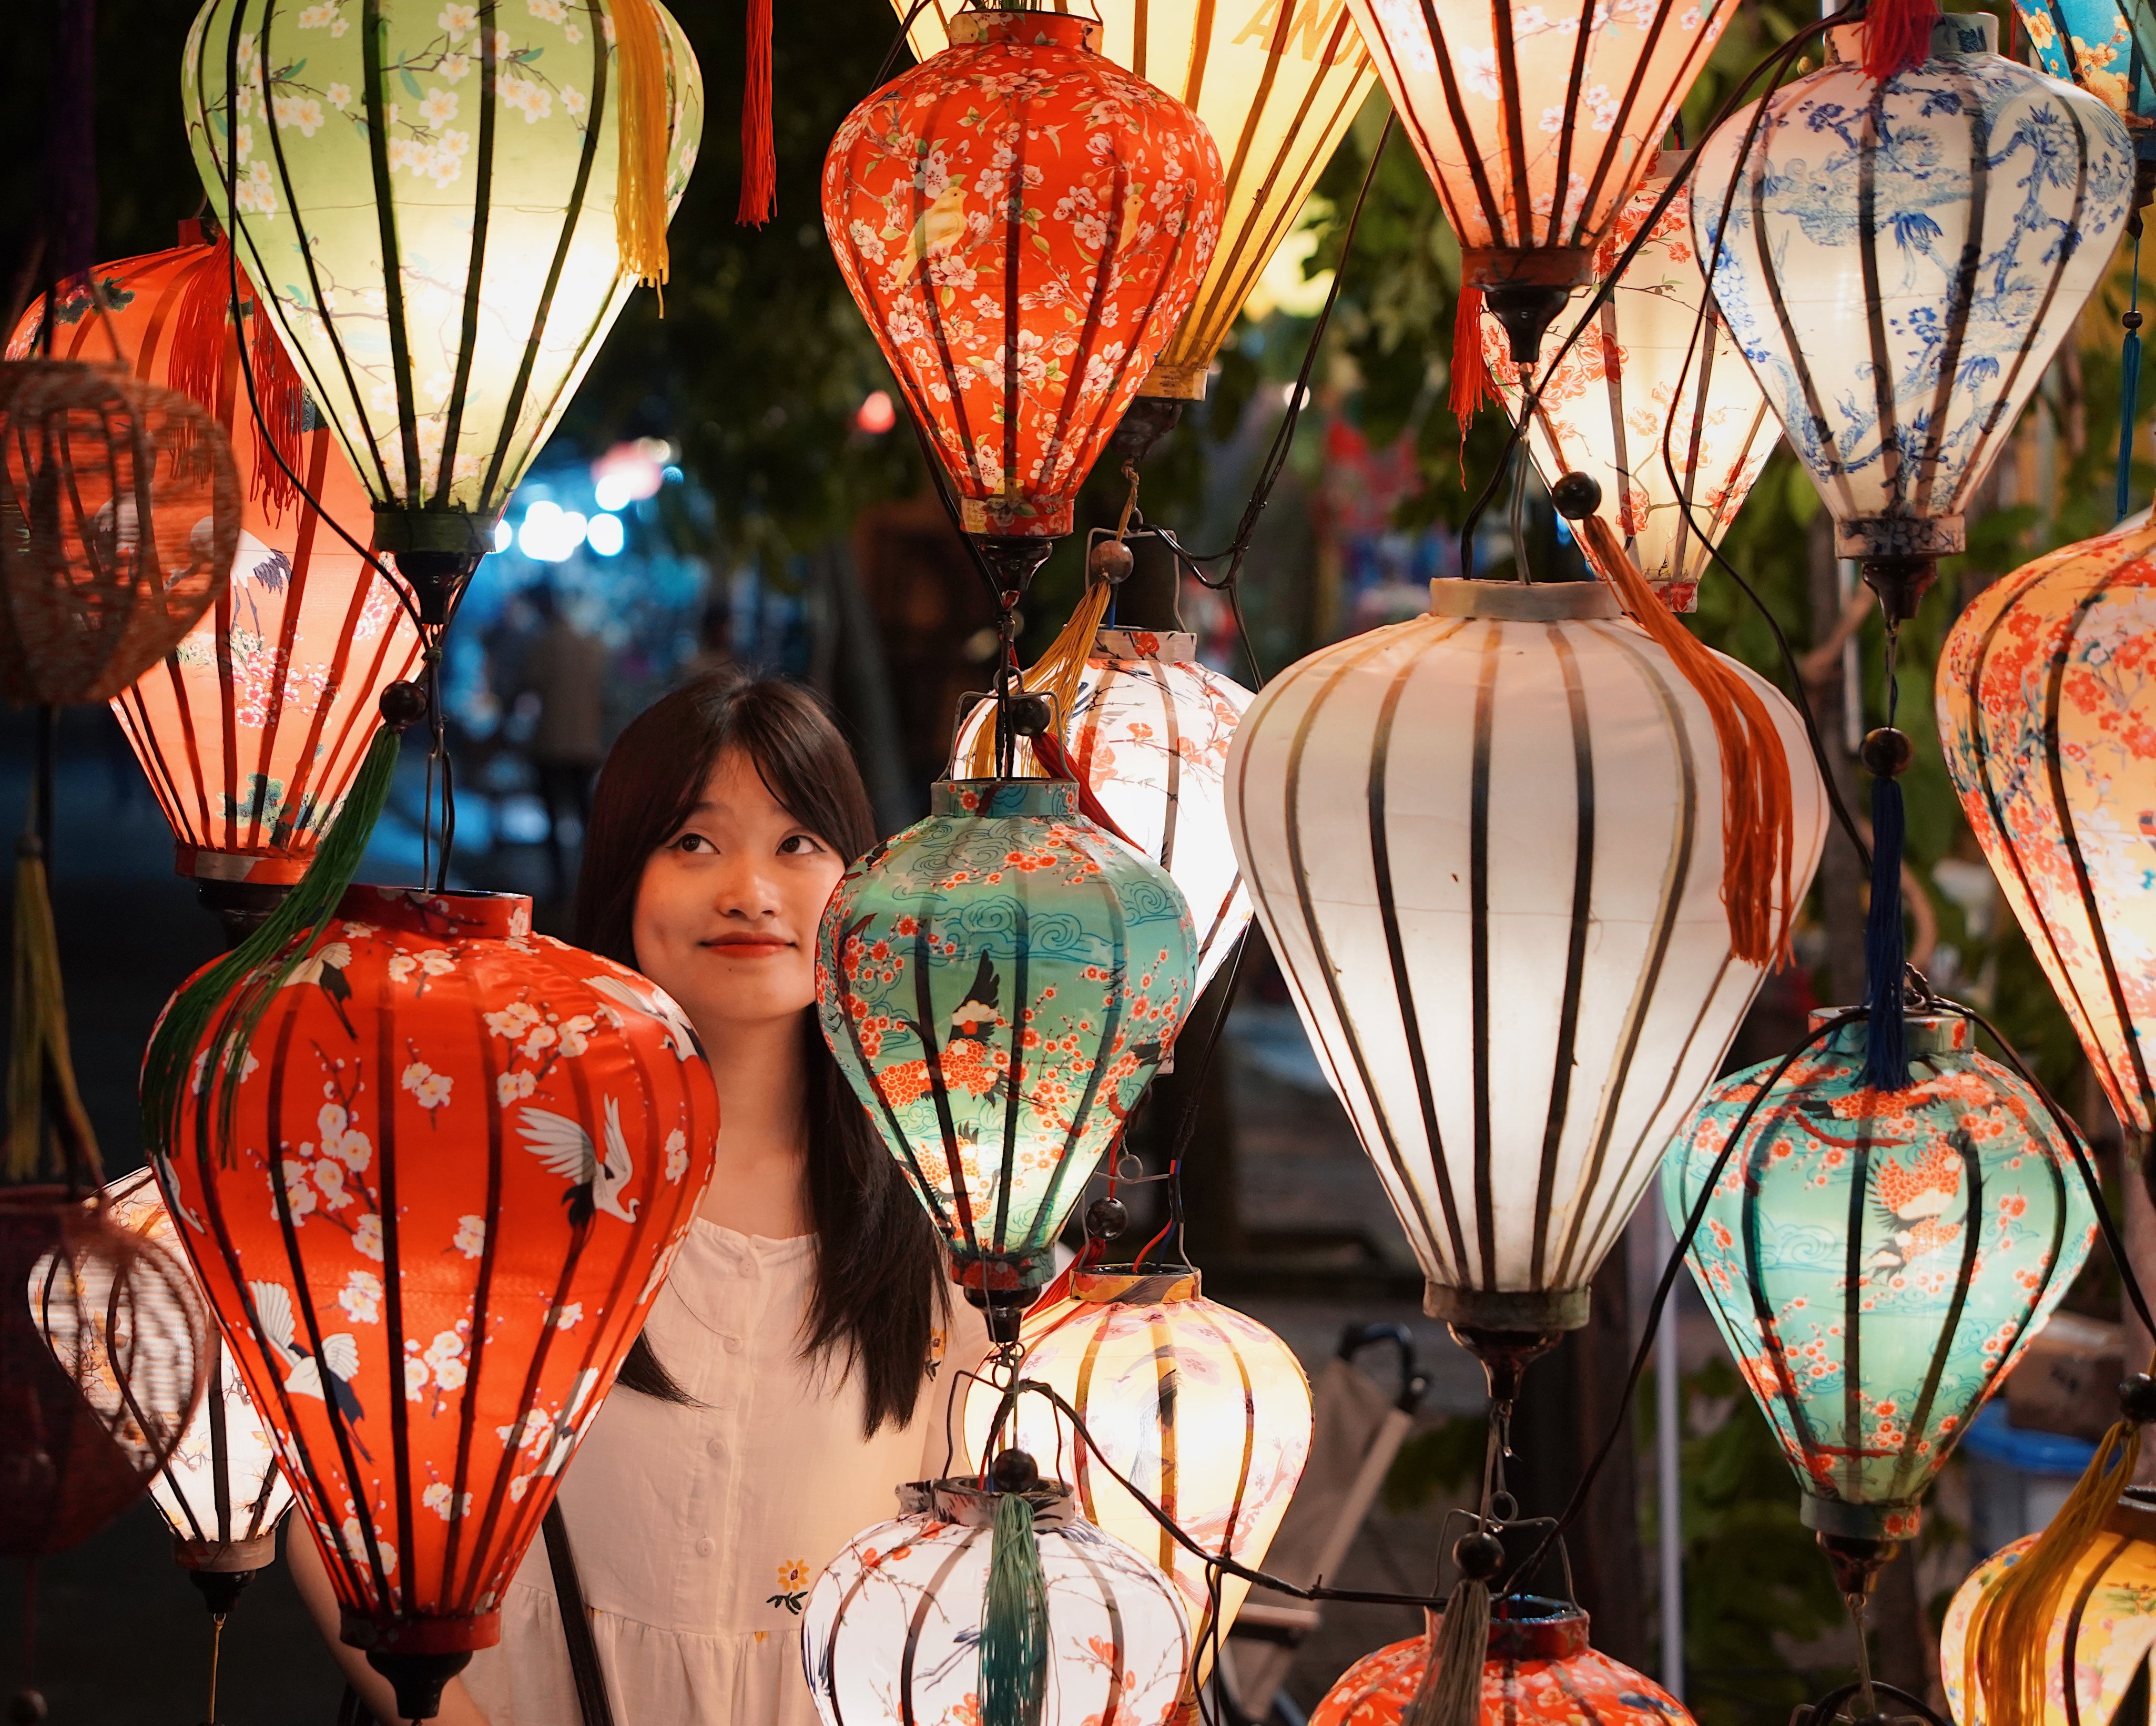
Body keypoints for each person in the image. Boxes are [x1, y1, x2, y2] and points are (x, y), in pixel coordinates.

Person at [290, 671, 987, 1726]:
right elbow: (334, 1487)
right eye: (695, 843)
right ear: (621, 878)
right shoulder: (500, 1178)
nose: (750, 890)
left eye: (797, 843)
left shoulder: (952, 1215)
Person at [514, 585, 611, 899]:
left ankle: (560, 885)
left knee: (555, 818)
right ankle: (593, 881)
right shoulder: (590, 645)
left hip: (551, 743)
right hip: (585, 744)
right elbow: (605, 697)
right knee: (585, 816)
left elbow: (525, 687)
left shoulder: (543, 645)